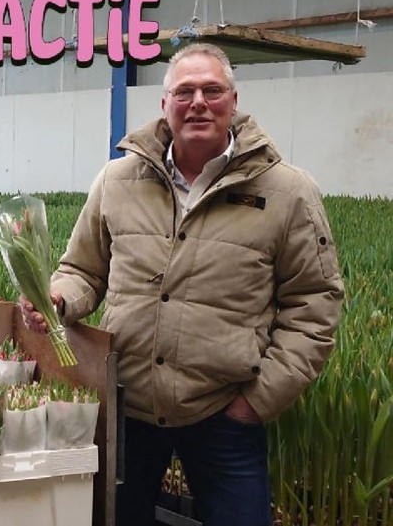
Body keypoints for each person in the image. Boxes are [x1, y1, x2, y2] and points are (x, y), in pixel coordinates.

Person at [21, 43, 344, 526]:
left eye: (212, 91)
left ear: (233, 101)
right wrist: (59, 298)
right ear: (165, 104)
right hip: (128, 404)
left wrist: (256, 402)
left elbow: (315, 304)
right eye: (184, 92)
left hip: (224, 410)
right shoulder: (118, 180)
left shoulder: (287, 191)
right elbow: (83, 270)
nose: (198, 103)